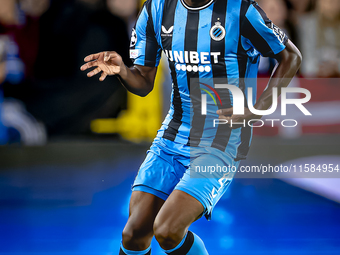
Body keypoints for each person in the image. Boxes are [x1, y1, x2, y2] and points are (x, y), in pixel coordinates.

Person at [81, 0, 302, 254]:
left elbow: (291, 56)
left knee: (167, 229)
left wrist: (258, 108)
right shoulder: (156, 9)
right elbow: (142, 82)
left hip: (220, 140)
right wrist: (122, 69)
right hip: (172, 136)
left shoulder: (240, 10)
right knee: (133, 234)